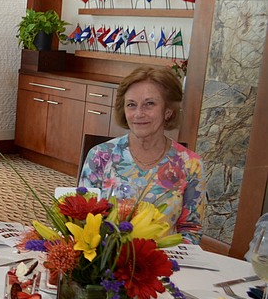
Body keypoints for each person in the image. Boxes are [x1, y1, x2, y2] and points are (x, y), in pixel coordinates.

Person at [79, 65, 206, 244]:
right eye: (131, 105)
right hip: (108, 262)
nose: (139, 113)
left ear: (168, 110)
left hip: (163, 262)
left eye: (149, 104)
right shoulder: (100, 156)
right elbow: (83, 218)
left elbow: (191, 230)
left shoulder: (190, 164)